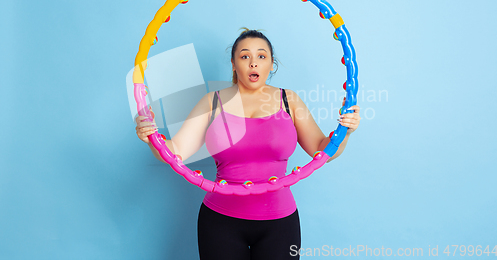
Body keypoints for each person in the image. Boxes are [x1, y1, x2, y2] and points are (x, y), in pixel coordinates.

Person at [135, 28, 360, 259]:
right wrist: (152, 137)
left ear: (272, 64)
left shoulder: (288, 100)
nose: (253, 63)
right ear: (233, 64)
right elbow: (176, 151)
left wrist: (347, 131)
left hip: (279, 222)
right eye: (245, 56)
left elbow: (322, 149)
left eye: (261, 56)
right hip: (220, 220)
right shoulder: (212, 102)